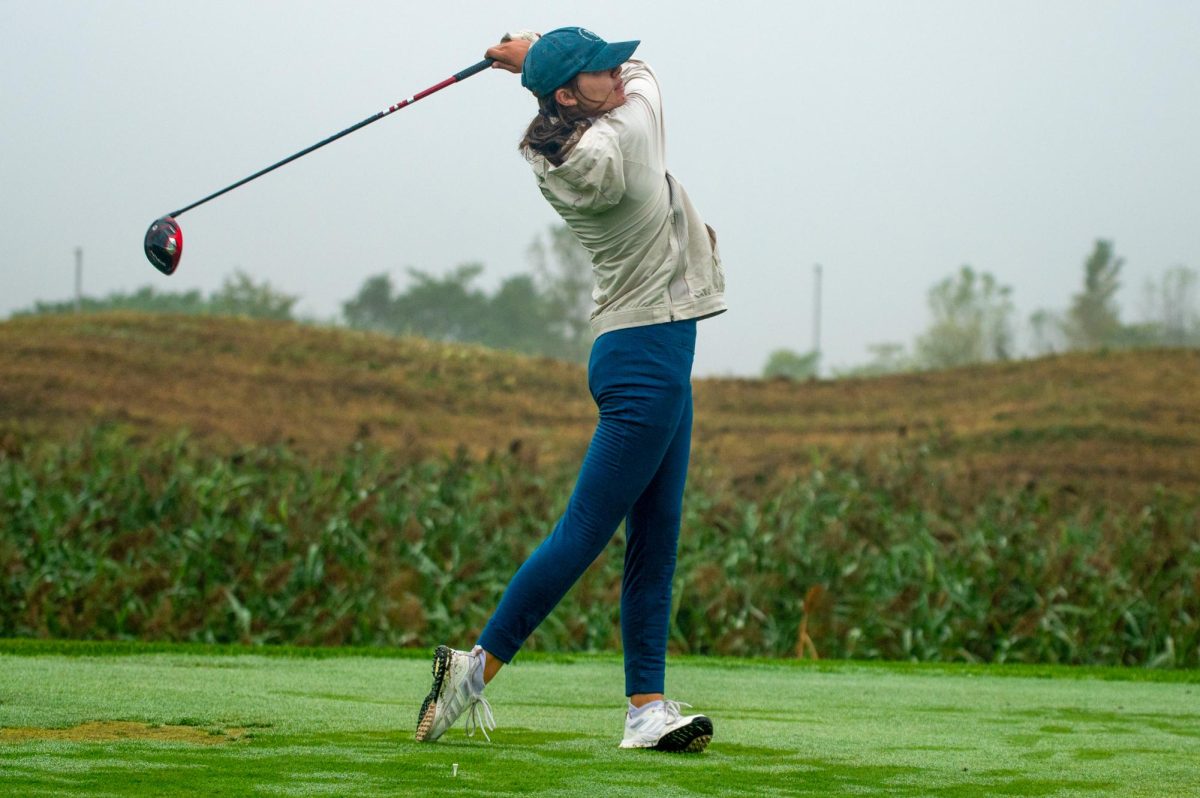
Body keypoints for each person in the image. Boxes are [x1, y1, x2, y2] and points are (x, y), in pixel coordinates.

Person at [414, 27, 726, 753]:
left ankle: (646, 710)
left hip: (645, 347)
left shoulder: (563, 145)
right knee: (585, 533)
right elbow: (646, 75)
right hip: (648, 355)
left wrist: (542, 64)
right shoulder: (629, 128)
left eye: (610, 63)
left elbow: (614, 77)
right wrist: (534, 53)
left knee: (656, 535)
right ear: (567, 93)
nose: (617, 71)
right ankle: (473, 669)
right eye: (596, 69)